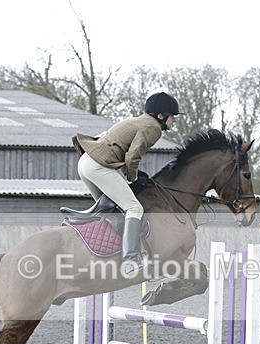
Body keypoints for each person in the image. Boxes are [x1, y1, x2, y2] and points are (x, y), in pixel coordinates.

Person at [72, 92, 181, 275]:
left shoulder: (138, 121)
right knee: (135, 209)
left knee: (112, 209)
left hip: (86, 162)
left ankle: (107, 255)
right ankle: (130, 261)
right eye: (173, 116)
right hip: (98, 165)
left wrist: (130, 175)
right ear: (161, 116)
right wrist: (133, 178)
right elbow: (132, 157)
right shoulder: (153, 128)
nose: (174, 120)